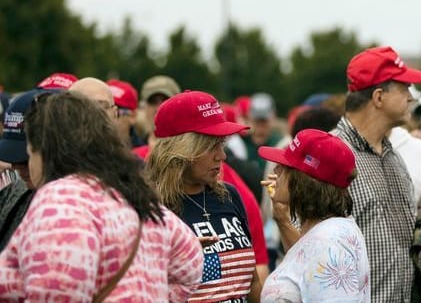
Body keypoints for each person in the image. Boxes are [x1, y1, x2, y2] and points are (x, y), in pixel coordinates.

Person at [0, 91, 203, 300]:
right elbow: (190, 263)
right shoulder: (131, 194)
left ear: (45, 152)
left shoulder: (62, 201)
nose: (25, 164)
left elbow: (57, 290)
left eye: (30, 152)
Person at [331, 46, 421, 302]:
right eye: (405, 88)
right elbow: (305, 247)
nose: (411, 97)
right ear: (379, 97)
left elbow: (395, 239)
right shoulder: (331, 156)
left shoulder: (393, 156)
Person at [146, 90, 262, 303]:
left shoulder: (229, 196)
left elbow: (252, 282)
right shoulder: (152, 209)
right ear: (181, 149)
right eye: (211, 146)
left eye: (222, 143)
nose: (222, 156)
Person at [259, 129, 370, 302]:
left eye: (286, 167)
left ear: (304, 181)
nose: (276, 169)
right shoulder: (327, 232)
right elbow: (304, 265)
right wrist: (282, 218)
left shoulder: (328, 244)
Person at [0, 89, 53, 251]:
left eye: (24, 158)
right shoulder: (13, 193)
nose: (15, 166)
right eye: (11, 157)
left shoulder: (74, 212)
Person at [108, 78, 146, 148]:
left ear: (133, 116)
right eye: (104, 108)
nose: (108, 116)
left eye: (116, 111)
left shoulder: (145, 156)